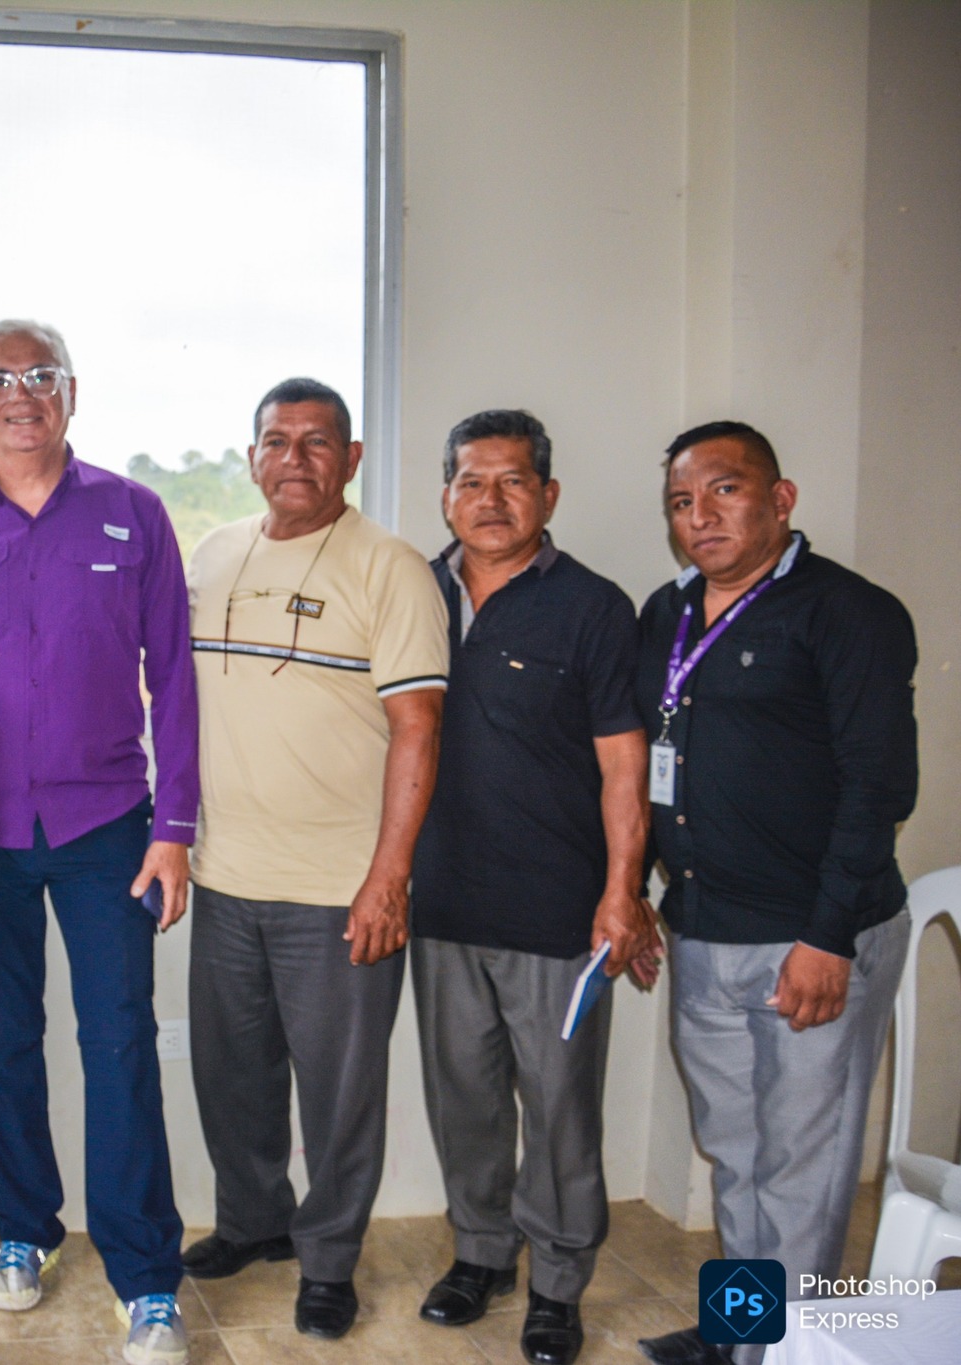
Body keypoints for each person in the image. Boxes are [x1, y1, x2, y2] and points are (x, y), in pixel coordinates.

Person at [0, 320, 197, 1365]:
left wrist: (174, 828)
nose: (20, 393)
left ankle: (146, 1277)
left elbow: (176, 677)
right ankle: (24, 1229)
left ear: (70, 391)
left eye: (40, 375)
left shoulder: (132, 512)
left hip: (107, 827)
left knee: (119, 1042)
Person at [632, 423, 916, 1365]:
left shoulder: (848, 612)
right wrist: (635, 891)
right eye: (682, 501)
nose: (701, 516)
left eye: (725, 490)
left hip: (811, 937)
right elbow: (648, 764)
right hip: (703, 929)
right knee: (736, 1152)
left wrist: (829, 937)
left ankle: (788, 1354)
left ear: (781, 498)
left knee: (803, 1167)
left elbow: (879, 787)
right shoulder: (667, 613)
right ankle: (745, 1336)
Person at [181, 377, 447, 1341]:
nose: (294, 458)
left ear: (353, 458)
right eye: (277, 440)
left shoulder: (392, 568)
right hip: (223, 877)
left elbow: (418, 728)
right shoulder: (214, 553)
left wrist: (388, 877)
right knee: (232, 1077)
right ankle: (254, 1222)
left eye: (317, 441)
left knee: (340, 1097)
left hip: (339, 890)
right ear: (252, 454)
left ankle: (329, 1260)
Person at [408, 410, 661, 1365]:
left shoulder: (593, 606)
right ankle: (482, 1253)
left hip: (560, 914)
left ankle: (558, 1280)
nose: (491, 500)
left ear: (548, 495)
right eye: (472, 481)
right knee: (463, 1098)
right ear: (446, 495)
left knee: (559, 1111)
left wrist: (622, 892)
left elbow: (625, 767)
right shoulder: (414, 591)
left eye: (513, 481)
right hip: (442, 905)